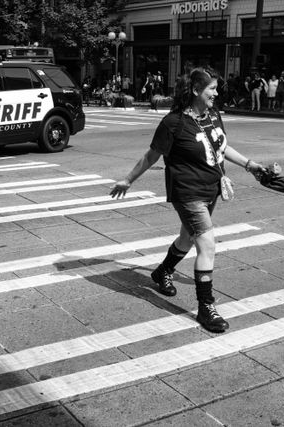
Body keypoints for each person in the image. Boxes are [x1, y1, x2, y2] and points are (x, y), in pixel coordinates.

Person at [109, 67, 266, 333]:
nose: (216, 93)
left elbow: (222, 147)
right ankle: (206, 308)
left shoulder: (213, 115)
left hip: (211, 189)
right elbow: (151, 156)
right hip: (187, 192)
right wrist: (128, 179)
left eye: (216, 88)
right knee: (207, 244)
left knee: (187, 238)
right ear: (195, 90)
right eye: (212, 89)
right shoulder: (174, 123)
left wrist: (250, 164)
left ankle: (162, 272)